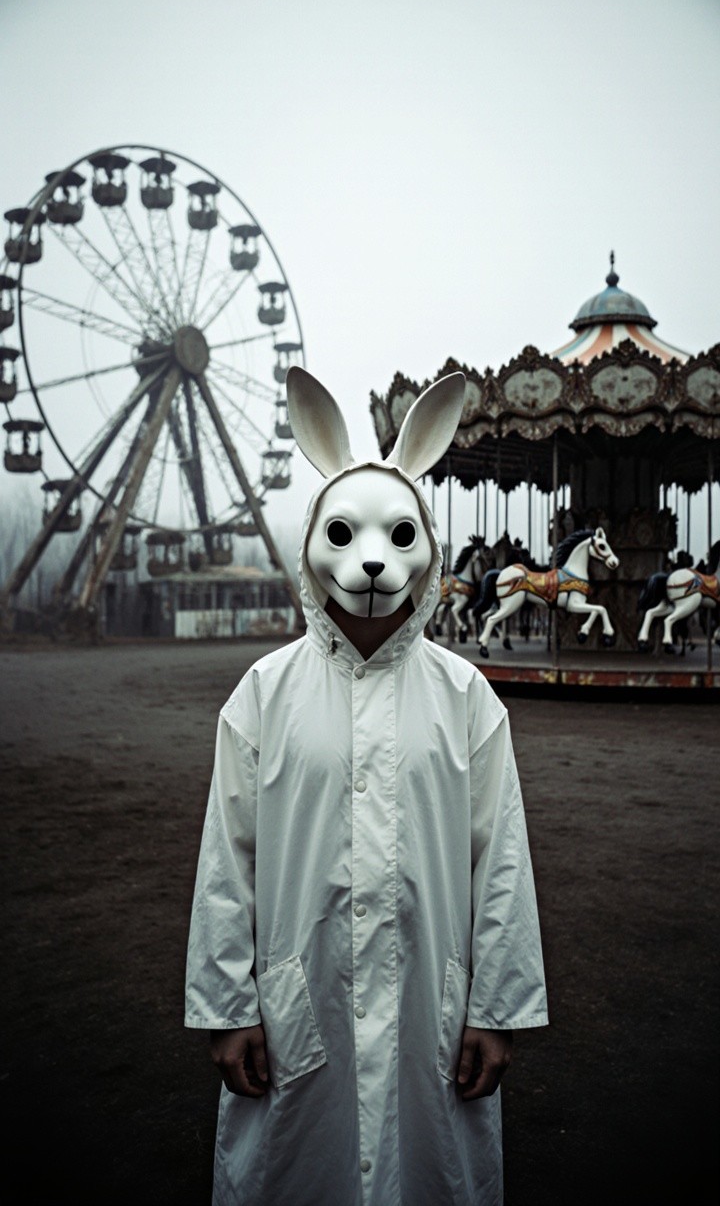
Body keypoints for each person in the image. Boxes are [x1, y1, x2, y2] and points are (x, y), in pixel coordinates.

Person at [185, 368, 548, 1205]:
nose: (373, 561)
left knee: (430, 1168)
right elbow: (226, 860)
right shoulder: (263, 695)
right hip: (296, 997)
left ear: (428, 548)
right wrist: (227, 1005)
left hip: (433, 1004)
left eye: (399, 534)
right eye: (345, 533)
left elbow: (501, 861)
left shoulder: (465, 697)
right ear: (313, 543)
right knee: (294, 1167)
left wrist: (495, 1009)